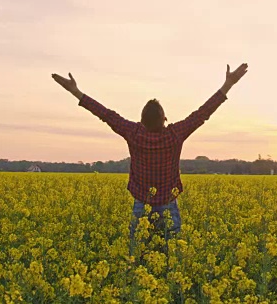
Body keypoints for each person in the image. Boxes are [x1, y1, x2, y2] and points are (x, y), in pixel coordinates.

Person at [51, 63, 248, 251]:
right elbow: (202, 114)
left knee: (137, 255)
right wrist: (228, 85)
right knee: (173, 256)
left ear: (141, 120)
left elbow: (106, 114)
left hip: (141, 205)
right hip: (168, 204)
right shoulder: (174, 135)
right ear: (164, 119)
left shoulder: (134, 133)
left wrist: (75, 91)